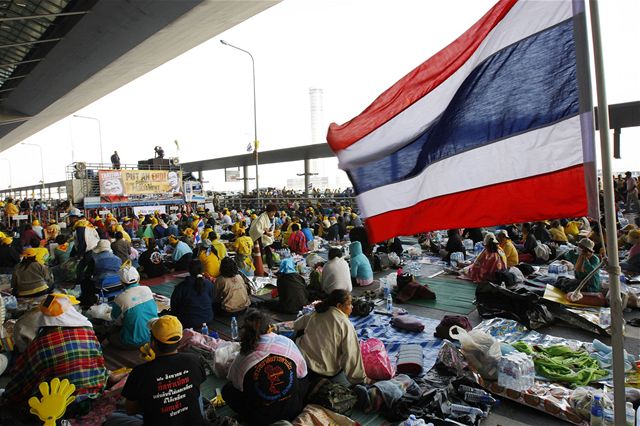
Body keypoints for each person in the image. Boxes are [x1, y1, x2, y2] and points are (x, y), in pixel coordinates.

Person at [2, 294, 107, 407]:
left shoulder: (40, 343)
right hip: (93, 393)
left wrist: (8, 396)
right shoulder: (88, 332)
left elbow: (24, 377)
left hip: (57, 406)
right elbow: (99, 361)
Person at [106, 316, 207, 426]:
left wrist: (155, 401)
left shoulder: (140, 372)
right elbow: (196, 392)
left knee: (113, 417)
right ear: (179, 341)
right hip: (194, 422)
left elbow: (131, 410)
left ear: (153, 343)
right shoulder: (194, 360)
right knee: (195, 390)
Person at [224, 310, 308, 424]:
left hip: (262, 418)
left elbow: (235, 383)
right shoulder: (286, 343)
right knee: (302, 379)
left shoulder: (243, 355)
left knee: (227, 390)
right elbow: (302, 373)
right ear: (269, 328)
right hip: (293, 409)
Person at [293, 290, 367, 386]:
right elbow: (351, 354)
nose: (352, 307)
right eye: (349, 304)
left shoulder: (316, 313)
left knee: (299, 333)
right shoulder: (344, 324)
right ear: (339, 306)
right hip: (325, 371)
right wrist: (360, 379)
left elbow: (296, 324)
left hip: (304, 362)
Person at [109, 266, 157, 349]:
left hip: (132, 342)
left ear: (121, 282)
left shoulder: (120, 298)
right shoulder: (147, 289)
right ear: (138, 278)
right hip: (152, 337)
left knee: (110, 335)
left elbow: (116, 321)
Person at [170, 260, 216, 330]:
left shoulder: (182, 286)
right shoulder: (209, 284)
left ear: (189, 270)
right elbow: (212, 300)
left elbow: (174, 305)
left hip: (188, 322)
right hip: (208, 318)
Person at [249, 204, 277, 269]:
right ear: (268, 211)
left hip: (264, 236)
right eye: (272, 212)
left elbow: (271, 227)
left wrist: (269, 232)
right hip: (259, 236)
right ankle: (259, 267)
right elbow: (257, 228)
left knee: (268, 251)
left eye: (274, 212)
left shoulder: (272, 218)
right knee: (260, 252)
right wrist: (265, 232)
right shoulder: (262, 217)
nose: (273, 214)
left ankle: (269, 265)